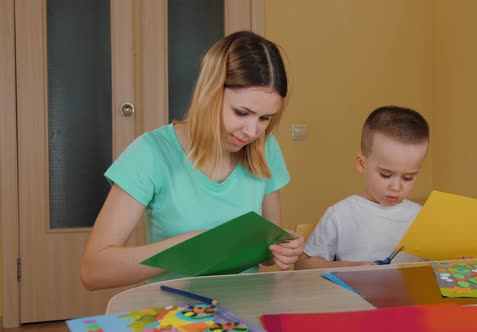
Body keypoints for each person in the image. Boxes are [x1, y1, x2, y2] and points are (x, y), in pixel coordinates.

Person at [81, 31, 303, 290]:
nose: (252, 132)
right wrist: (187, 248)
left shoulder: (265, 149)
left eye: (265, 118)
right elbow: (93, 271)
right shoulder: (151, 153)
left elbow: (265, 254)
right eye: (241, 112)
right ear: (209, 93)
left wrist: (283, 248)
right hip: (177, 314)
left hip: (246, 308)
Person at [295, 106, 429, 270]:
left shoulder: (423, 217)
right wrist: (353, 267)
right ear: (362, 164)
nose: (396, 187)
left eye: (408, 177)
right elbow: (302, 266)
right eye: (386, 175)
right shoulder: (340, 215)